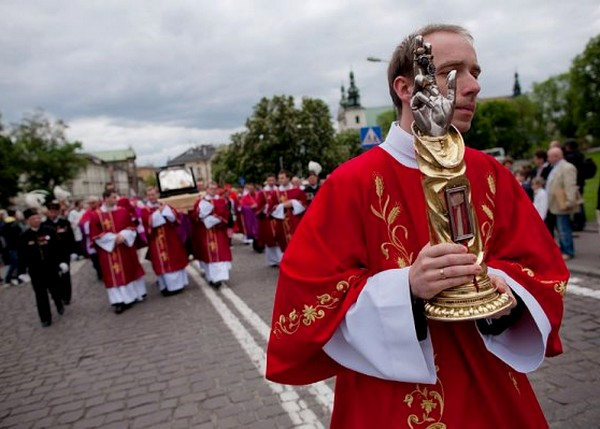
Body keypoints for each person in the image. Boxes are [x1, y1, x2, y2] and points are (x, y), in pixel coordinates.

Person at [266, 24, 567, 428]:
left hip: (493, 389)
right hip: (392, 399)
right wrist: (406, 287)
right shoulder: (349, 184)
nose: (473, 85)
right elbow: (307, 302)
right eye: (452, 72)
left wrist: (507, 294)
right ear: (405, 89)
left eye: (476, 72)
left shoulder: (491, 173)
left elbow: (542, 270)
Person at [89, 190, 146, 313]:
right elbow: (94, 234)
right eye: (113, 198)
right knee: (113, 276)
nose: (116, 200)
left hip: (124, 248)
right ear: (105, 198)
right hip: (107, 251)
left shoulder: (122, 211)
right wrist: (113, 239)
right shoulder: (95, 215)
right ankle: (118, 301)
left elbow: (131, 226)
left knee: (128, 271)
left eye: (116, 197)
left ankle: (131, 297)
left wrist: (124, 235)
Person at [17, 208, 65, 327]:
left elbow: (57, 248)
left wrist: (61, 262)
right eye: (33, 219)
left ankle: (59, 304)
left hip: (51, 267)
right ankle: (45, 318)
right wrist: (22, 271)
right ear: (28, 221)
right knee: (40, 294)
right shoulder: (24, 236)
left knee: (55, 289)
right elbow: (22, 255)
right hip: (36, 270)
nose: (37, 220)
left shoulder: (49, 230)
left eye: (38, 217)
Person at [141, 187, 189, 296]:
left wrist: (166, 212)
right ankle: (165, 286)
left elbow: (174, 218)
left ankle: (178, 285)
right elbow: (149, 223)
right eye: (149, 195)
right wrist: (159, 212)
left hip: (170, 239)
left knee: (175, 260)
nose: (151, 197)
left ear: (157, 195)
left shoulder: (165, 205)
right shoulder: (145, 209)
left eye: (153, 194)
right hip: (156, 240)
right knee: (161, 264)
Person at [191, 182, 232, 288]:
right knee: (208, 256)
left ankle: (218, 278)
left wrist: (219, 219)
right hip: (205, 233)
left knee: (220, 254)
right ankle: (212, 278)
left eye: (215, 189)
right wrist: (200, 216)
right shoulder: (200, 201)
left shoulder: (221, 201)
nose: (213, 191)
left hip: (219, 232)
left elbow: (227, 215)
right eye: (211, 189)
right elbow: (194, 216)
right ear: (206, 189)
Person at [546, 146, 581, 260]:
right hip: (556, 204)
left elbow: (570, 186)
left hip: (562, 203)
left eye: (549, 156)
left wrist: (569, 202)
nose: (548, 159)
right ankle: (563, 248)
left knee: (564, 229)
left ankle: (568, 250)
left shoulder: (567, 168)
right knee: (561, 229)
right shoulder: (556, 167)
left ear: (556, 156)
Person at [43, 201, 76, 305]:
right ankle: (57, 294)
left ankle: (66, 296)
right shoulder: (44, 225)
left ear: (58, 211)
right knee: (54, 276)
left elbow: (71, 237)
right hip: (51, 255)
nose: (53, 214)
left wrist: (73, 251)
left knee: (65, 275)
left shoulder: (64, 223)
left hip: (64, 252)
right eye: (50, 211)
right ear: (47, 212)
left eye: (55, 211)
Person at [270, 170, 307, 253]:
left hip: (296, 222)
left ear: (288, 178)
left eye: (282, 178)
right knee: (285, 246)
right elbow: (271, 209)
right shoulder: (275, 193)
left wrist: (293, 203)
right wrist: (282, 206)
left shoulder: (298, 191)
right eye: (279, 178)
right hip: (282, 223)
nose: (280, 180)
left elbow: (305, 205)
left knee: (298, 244)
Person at [255, 173, 281, 265]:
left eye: (273, 180)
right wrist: (264, 208)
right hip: (267, 219)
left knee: (279, 238)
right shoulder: (262, 192)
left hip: (278, 218)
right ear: (266, 181)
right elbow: (259, 206)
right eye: (269, 180)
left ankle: (280, 259)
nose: (271, 182)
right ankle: (272, 260)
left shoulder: (278, 190)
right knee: (270, 239)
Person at [79, 196, 103, 280]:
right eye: (90, 203)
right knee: (95, 259)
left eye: (93, 202)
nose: (92, 205)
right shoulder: (87, 213)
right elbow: (82, 223)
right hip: (91, 239)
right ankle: (99, 272)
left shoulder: (102, 211)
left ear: (98, 202)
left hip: (101, 238)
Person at [2, 209, 24, 285]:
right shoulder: (14, 223)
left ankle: (11, 278)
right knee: (16, 262)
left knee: (15, 263)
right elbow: (20, 231)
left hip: (11, 245)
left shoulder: (5, 223)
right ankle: (12, 278)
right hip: (14, 245)